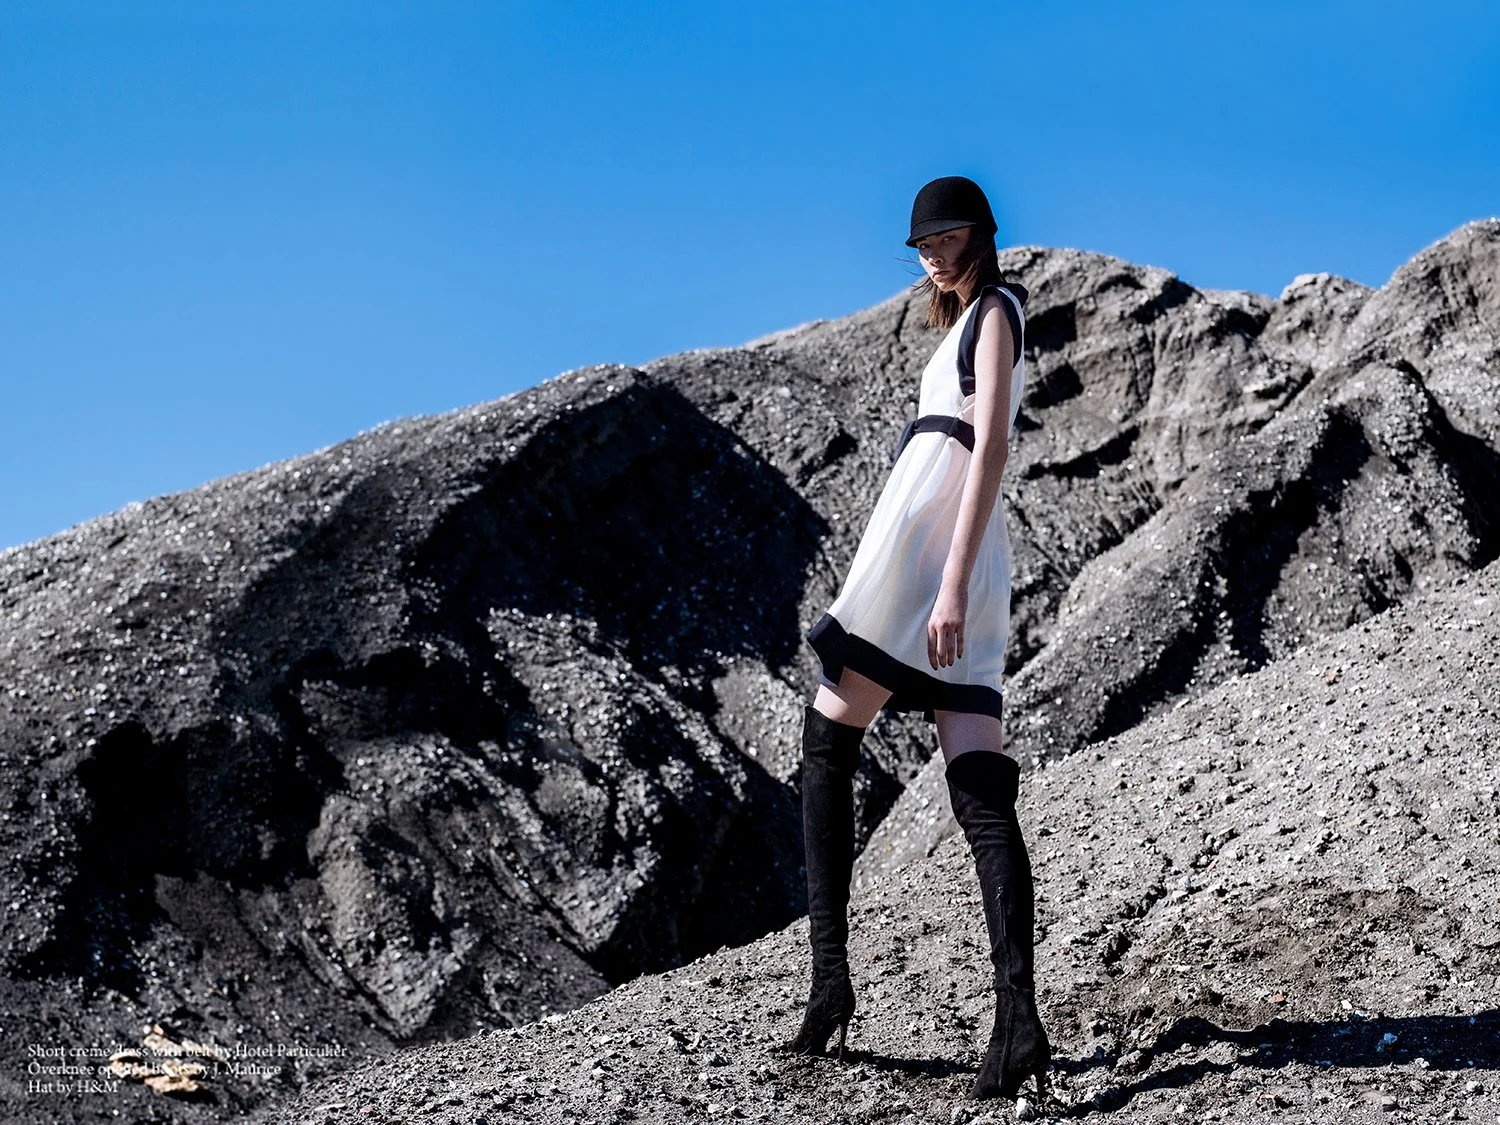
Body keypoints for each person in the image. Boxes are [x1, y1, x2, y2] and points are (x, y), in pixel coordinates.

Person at [773, 176, 1050, 1104]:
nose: (931, 251)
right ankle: (1014, 1026)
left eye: (947, 236)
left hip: (936, 554)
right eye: (922, 242)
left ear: (982, 235)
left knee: (833, 742)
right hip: (940, 552)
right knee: (970, 783)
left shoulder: (997, 312)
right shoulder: (964, 321)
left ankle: (834, 983)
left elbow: (992, 448)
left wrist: (952, 580)